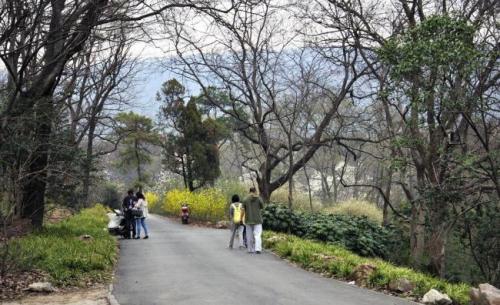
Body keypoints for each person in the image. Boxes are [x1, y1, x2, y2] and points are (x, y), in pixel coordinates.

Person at [242, 187, 264, 254]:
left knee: (249, 235)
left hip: (248, 220)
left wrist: (241, 218)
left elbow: (243, 209)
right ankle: (258, 249)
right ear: (255, 191)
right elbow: (262, 206)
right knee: (257, 235)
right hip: (257, 220)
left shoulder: (245, 199)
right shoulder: (259, 198)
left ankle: (250, 249)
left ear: (249, 191)